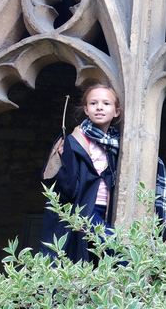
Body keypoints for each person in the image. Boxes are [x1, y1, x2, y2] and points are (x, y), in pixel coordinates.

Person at [40, 84, 122, 263]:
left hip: (107, 209)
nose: (99, 107)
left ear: (117, 112)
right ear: (86, 110)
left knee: (96, 263)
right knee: (120, 251)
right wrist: (64, 160)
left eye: (106, 103)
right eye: (93, 103)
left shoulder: (117, 145)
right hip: (85, 210)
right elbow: (63, 187)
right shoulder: (74, 142)